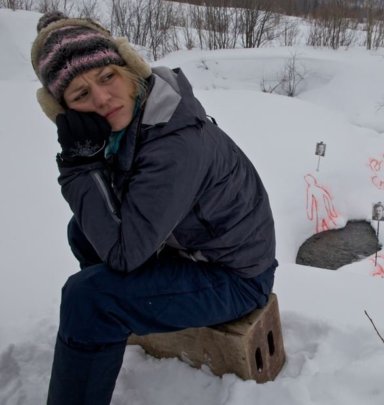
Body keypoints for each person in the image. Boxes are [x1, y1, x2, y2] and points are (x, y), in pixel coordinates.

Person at [30, 12, 277, 405]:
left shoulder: (172, 142)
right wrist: (90, 159)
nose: (101, 98)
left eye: (107, 76)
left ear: (130, 69)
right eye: (80, 95)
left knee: (88, 299)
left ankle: (106, 317)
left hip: (236, 277)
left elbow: (125, 254)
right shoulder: (138, 117)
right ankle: (111, 327)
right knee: (83, 232)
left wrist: (80, 166)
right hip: (194, 249)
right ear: (65, 111)